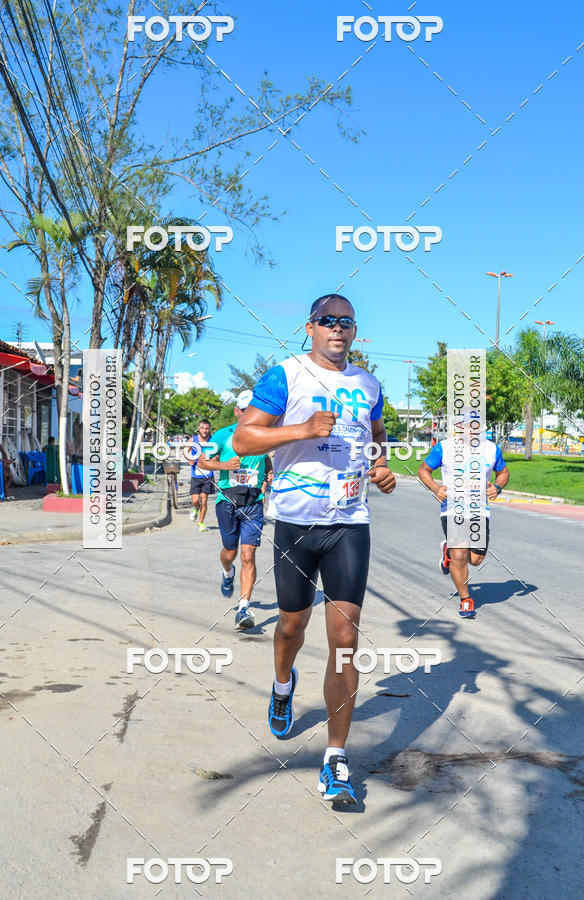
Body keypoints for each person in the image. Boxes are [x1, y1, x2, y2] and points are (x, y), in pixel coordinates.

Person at [233, 293, 396, 805]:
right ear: (310, 327)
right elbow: (242, 439)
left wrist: (381, 467)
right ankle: (283, 684)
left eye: (347, 322)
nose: (338, 330)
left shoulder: (369, 385)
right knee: (291, 626)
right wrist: (301, 430)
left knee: (345, 636)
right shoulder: (286, 376)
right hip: (295, 524)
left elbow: (377, 439)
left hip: (350, 523)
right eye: (329, 321)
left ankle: (335, 760)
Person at [196, 390, 271, 630]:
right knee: (230, 552)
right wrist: (224, 465)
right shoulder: (222, 435)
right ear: (237, 411)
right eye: (244, 409)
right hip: (226, 501)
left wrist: (268, 473)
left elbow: (267, 460)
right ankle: (227, 573)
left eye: (253, 409)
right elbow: (202, 462)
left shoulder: (264, 435)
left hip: (253, 502)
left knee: (248, 554)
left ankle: (243, 609)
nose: (248, 413)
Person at [418, 436, 510, 618]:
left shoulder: (491, 449)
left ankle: (447, 552)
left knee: (476, 559)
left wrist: (497, 487)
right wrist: (436, 488)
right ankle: (466, 599)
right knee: (459, 554)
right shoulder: (444, 447)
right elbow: (423, 470)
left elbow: (504, 472)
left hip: (479, 512)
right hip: (453, 509)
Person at [187, 419, 215, 533]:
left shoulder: (213, 440)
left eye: (206, 428)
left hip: (208, 475)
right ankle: (195, 508)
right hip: (196, 475)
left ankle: (201, 522)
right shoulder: (192, 440)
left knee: (204, 501)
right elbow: (185, 450)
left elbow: (217, 453)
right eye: (202, 428)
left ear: (209, 429)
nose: (204, 430)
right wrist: (189, 459)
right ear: (198, 428)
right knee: (195, 500)